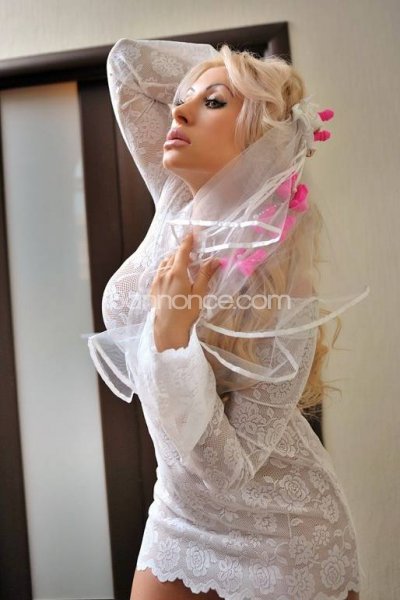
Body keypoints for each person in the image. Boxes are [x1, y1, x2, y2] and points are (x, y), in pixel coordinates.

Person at [97, 38, 367, 600]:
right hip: (177, 511)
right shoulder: (176, 199)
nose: (179, 111)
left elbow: (229, 471)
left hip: (284, 536)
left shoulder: (285, 286)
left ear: (260, 139)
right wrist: (250, 83)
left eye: (212, 103)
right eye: (183, 98)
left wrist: (173, 337)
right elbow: (127, 64)